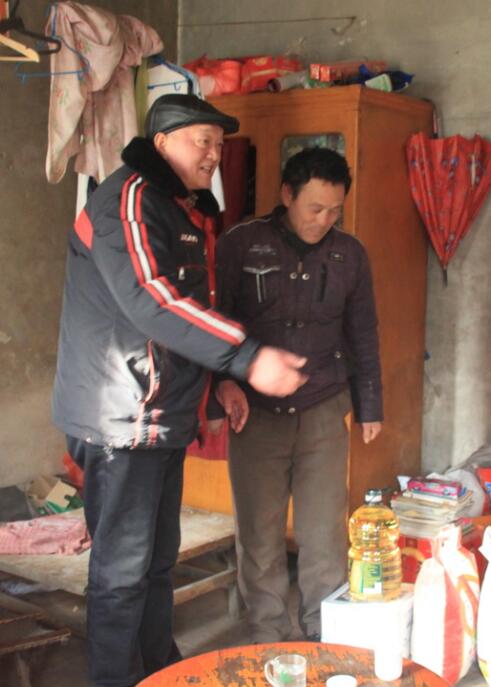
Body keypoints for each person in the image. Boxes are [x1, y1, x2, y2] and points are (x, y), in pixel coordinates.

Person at [51, 93, 307, 687]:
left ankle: (158, 672)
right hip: (120, 416)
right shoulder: (129, 199)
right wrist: (248, 358)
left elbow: (195, 307)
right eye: (202, 140)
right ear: (162, 141)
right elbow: (153, 300)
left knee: (156, 565)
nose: (214, 154)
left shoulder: (184, 210)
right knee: (121, 573)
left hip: (160, 413)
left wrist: (218, 385)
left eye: (219, 143)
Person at [211, 147, 383, 642]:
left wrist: (370, 405)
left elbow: (363, 333)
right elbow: (214, 324)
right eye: (315, 208)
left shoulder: (350, 254)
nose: (324, 220)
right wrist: (219, 386)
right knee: (259, 534)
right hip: (254, 413)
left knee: (323, 534)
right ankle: (266, 636)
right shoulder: (241, 244)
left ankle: (323, 636)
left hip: (323, 410)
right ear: (287, 195)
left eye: (334, 211)